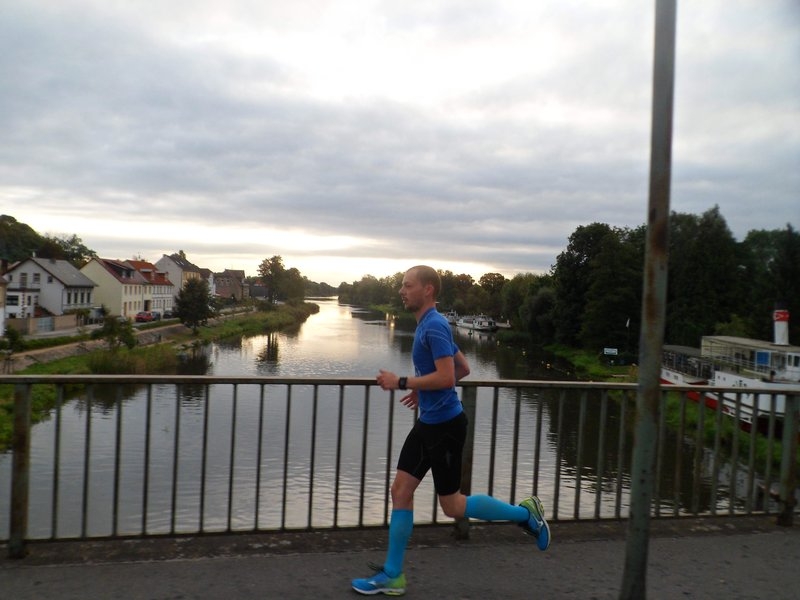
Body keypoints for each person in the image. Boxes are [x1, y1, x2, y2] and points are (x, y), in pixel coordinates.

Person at [351, 265, 550, 596]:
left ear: (428, 289)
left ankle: (525, 514)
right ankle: (393, 575)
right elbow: (464, 368)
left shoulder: (434, 326)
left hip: (445, 427)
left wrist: (402, 382)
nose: (401, 290)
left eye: (407, 285)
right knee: (400, 491)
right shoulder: (429, 324)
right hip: (429, 423)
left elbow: (447, 376)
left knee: (453, 505)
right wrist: (423, 390)